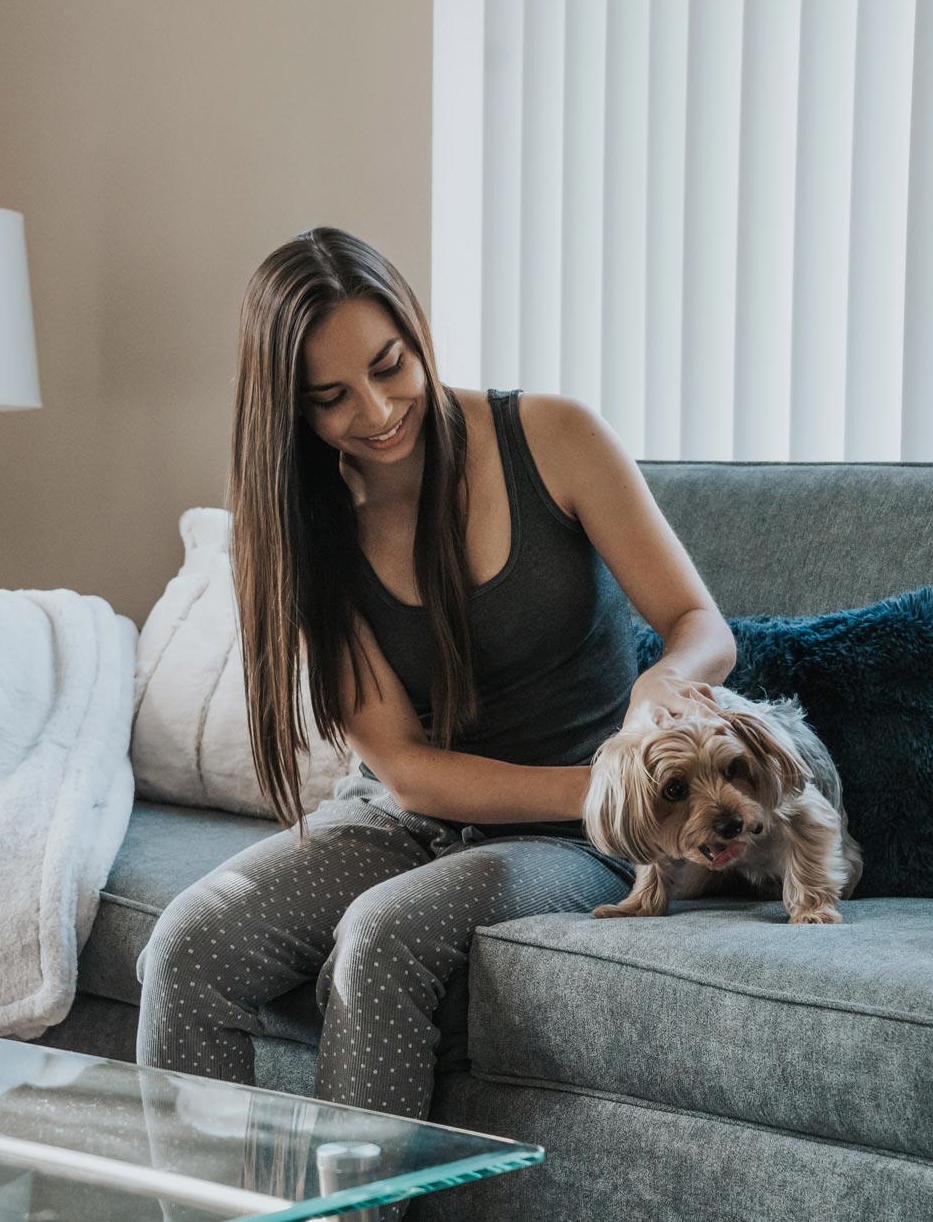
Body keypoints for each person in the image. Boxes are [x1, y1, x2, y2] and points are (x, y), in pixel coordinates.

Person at [134, 226, 735, 1124]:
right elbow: (409, 771)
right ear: (291, 410)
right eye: (332, 397)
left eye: (390, 365)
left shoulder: (554, 436)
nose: (376, 412)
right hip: (412, 813)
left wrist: (662, 692)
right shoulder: (301, 529)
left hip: (575, 837)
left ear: (417, 331)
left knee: (380, 936)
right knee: (187, 945)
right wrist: (605, 785)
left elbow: (700, 625)